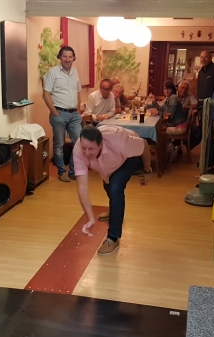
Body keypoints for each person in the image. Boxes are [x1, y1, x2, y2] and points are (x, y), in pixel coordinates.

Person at [73, 125, 152, 255]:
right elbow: (82, 185)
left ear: (100, 145)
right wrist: (90, 217)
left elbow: (144, 144)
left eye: (91, 149)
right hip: (112, 160)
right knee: (108, 186)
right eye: (84, 148)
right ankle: (115, 210)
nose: (86, 153)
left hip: (129, 157)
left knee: (116, 188)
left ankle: (113, 238)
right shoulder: (79, 149)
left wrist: (147, 171)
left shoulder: (121, 142)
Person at [42, 46, 82, 182]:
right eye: (65, 56)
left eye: (70, 57)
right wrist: (55, 113)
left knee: (79, 142)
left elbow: (78, 92)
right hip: (59, 113)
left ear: (74, 58)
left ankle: (73, 171)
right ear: (60, 57)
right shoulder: (53, 73)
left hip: (74, 114)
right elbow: (45, 95)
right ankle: (61, 172)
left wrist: (78, 111)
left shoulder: (75, 72)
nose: (67, 59)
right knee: (59, 145)